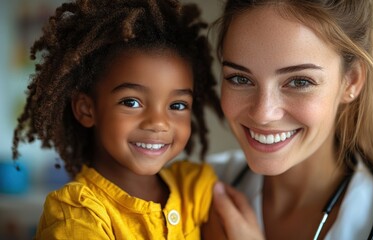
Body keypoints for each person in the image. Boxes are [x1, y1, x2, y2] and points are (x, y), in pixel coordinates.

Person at [203, 0, 373, 239]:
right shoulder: (184, 192)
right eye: (240, 78)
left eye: (299, 82)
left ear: (351, 81)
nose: (263, 113)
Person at [11, 0, 223, 239]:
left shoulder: (196, 188)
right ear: (86, 110)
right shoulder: (77, 213)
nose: (158, 123)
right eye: (131, 102)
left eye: (177, 105)